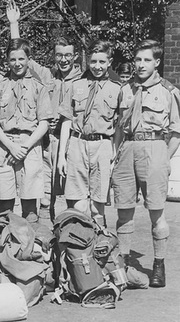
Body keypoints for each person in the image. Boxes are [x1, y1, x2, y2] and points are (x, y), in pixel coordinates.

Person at [112, 39, 180, 288]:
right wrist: (115, 154)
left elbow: (176, 132)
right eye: (138, 59)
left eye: (147, 60)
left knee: (156, 212)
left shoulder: (169, 92)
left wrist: (164, 157)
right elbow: (119, 127)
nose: (140, 65)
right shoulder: (126, 89)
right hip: (127, 148)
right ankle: (124, 266)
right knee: (124, 211)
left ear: (157, 62)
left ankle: (159, 266)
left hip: (154, 149)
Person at [8, 3, 83, 218]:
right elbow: (21, 58)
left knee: (72, 195)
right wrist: (14, 24)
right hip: (46, 141)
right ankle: (45, 239)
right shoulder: (47, 76)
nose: (64, 60)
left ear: (75, 56)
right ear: (54, 56)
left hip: (72, 143)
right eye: (59, 55)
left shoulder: (84, 80)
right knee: (44, 194)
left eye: (68, 55)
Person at [57, 40, 121, 226]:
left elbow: (119, 126)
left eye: (102, 62)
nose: (97, 66)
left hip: (103, 145)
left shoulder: (117, 89)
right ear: (87, 61)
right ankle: (80, 246)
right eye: (93, 62)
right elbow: (67, 121)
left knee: (97, 205)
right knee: (78, 204)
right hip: (77, 144)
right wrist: (62, 156)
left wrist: (114, 153)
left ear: (109, 62)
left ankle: (100, 245)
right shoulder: (77, 85)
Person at [0, 38, 52, 220]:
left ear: (28, 59)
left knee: (30, 205)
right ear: (7, 61)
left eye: (21, 59)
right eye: (12, 59)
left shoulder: (39, 87)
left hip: (30, 146)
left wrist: (24, 148)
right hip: (4, 144)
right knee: (4, 202)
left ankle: (28, 244)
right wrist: (11, 146)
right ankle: (6, 245)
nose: (17, 64)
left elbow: (44, 123)